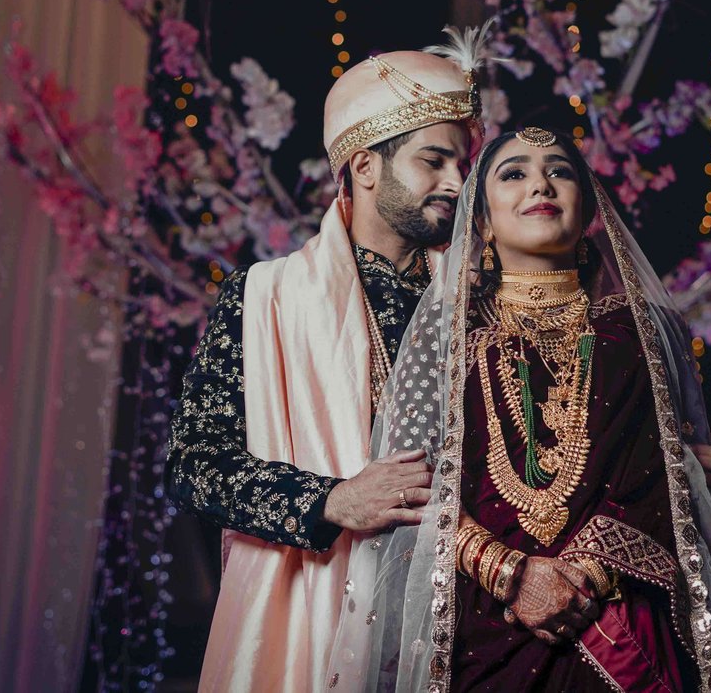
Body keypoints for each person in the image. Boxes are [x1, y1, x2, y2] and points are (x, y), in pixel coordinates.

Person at [328, 127, 711, 693]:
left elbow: (666, 475)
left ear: (587, 211)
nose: (540, 183)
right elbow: (412, 486)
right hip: (485, 624)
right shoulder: (443, 337)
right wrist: (510, 574)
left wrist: (585, 576)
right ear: (482, 220)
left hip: (621, 619)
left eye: (559, 171)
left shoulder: (642, 330)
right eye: (514, 173)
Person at [164, 41, 486, 693]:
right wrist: (332, 499)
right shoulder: (268, 296)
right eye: (434, 160)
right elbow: (194, 462)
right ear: (364, 164)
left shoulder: (481, 299)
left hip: (469, 613)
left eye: (463, 163)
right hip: (316, 615)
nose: (457, 183)